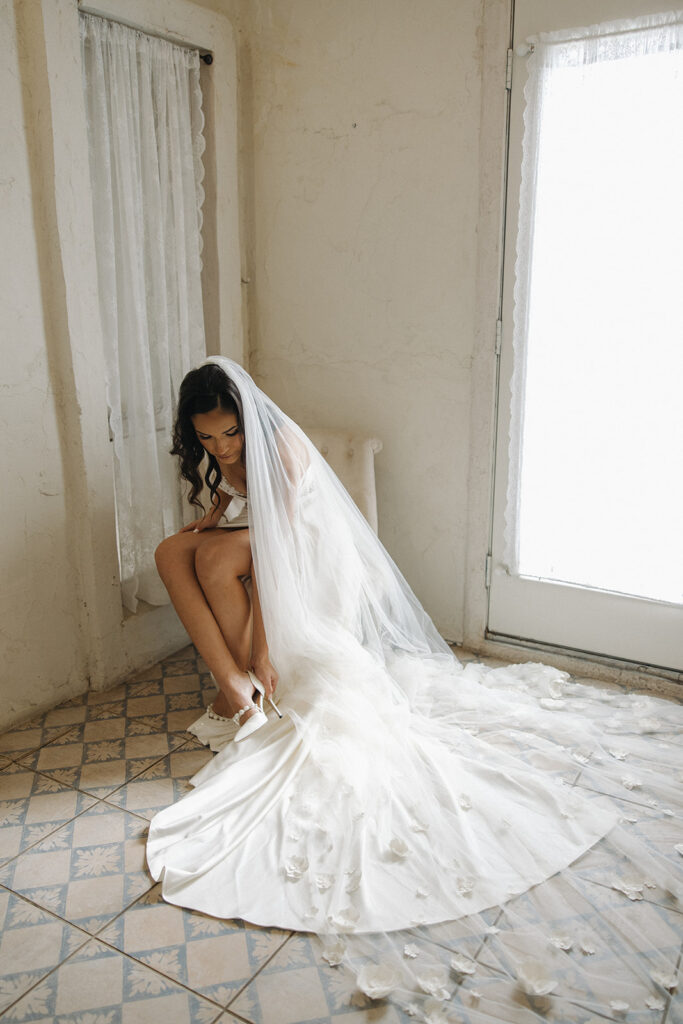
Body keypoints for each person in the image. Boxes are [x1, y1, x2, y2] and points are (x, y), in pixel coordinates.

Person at [148, 355, 682, 1018]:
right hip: (266, 545)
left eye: (229, 433)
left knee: (217, 558)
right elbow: (233, 496)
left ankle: (247, 683)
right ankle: (232, 683)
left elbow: (287, 554)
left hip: (311, 565)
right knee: (173, 550)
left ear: (246, 414)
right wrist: (211, 516)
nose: (221, 446)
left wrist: (265, 652)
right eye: (207, 438)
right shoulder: (223, 453)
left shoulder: (278, 446)